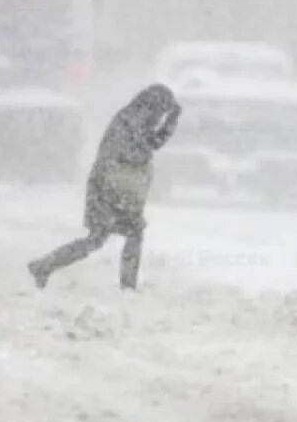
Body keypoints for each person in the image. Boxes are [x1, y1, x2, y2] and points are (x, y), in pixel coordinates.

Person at [29, 83, 182, 291]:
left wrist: (171, 122)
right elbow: (140, 149)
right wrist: (164, 130)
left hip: (115, 187)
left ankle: (44, 266)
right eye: (161, 112)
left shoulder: (134, 118)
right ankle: (127, 286)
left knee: (103, 238)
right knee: (121, 234)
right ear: (154, 106)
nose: (159, 118)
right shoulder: (131, 120)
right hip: (110, 187)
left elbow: (152, 143)